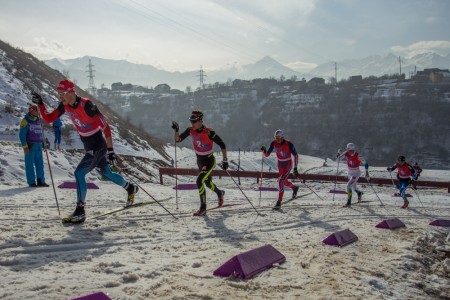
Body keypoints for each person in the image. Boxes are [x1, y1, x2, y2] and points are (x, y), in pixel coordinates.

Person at [31, 79, 138, 223]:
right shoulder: (65, 105)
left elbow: (106, 126)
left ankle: (80, 210)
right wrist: (40, 104)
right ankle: (130, 188)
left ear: (71, 92)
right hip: (88, 145)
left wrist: (111, 150)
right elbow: (49, 119)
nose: (60, 97)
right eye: (59, 94)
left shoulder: (87, 105)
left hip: (98, 145)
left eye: (62, 93)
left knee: (79, 173)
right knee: (106, 173)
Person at [171, 110, 227, 216]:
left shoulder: (209, 132)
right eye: (191, 121)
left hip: (209, 160)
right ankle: (219, 193)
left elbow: (222, 144)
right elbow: (178, 140)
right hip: (200, 160)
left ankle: (203, 208)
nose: (192, 123)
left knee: (199, 181)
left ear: (200, 121)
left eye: (194, 121)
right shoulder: (190, 130)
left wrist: (225, 160)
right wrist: (176, 130)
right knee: (207, 183)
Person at [261, 129, 300, 209]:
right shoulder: (274, 143)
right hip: (280, 164)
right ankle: (294, 188)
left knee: (281, 181)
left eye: (278, 138)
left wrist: (295, 168)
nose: (277, 140)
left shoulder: (289, 144)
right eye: (276, 138)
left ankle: (279, 202)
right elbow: (267, 154)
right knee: (284, 182)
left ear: (282, 137)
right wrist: (264, 150)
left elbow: (295, 155)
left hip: (288, 164)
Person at [19, 104, 49, 187]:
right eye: (36, 110)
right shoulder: (25, 120)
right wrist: (25, 147)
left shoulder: (39, 120)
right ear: (31, 111)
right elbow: (22, 135)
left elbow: (41, 133)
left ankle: (41, 181)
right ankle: (31, 182)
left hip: (39, 145)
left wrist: (44, 144)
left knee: (40, 164)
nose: (38, 112)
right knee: (29, 164)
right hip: (30, 146)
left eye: (38, 110)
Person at [336, 143, 369, 207]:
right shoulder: (346, 153)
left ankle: (349, 202)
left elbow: (366, 164)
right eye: (348, 150)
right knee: (353, 188)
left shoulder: (358, 155)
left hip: (356, 173)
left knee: (348, 186)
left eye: (351, 151)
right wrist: (339, 154)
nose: (350, 152)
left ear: (353, 149)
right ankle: (359, 193)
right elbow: (338, 160)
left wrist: (367, 173)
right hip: (349, 172)